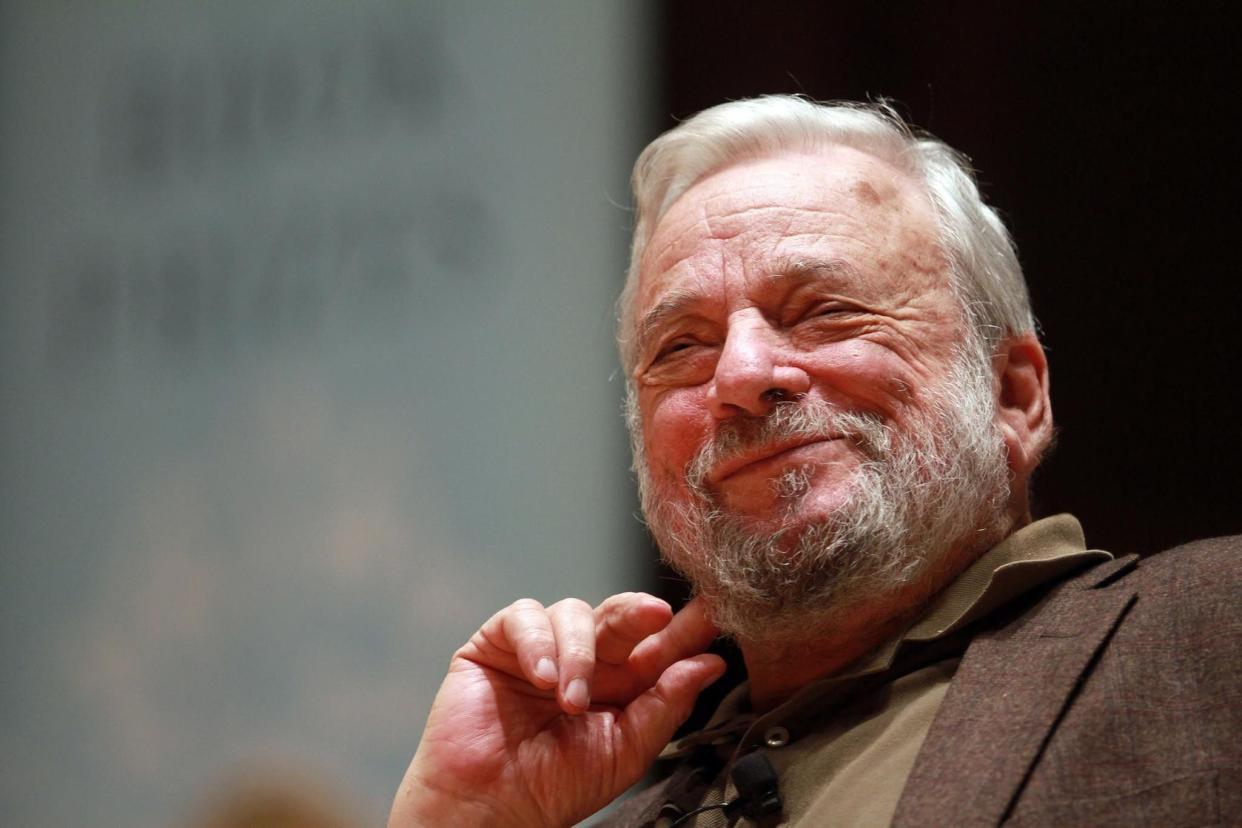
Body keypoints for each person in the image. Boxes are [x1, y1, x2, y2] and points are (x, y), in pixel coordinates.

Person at [388, 97, 1240, 827]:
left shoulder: (1208, 634)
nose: (742, 378)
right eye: (682, 345)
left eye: (823, 310)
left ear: (1014, 394)